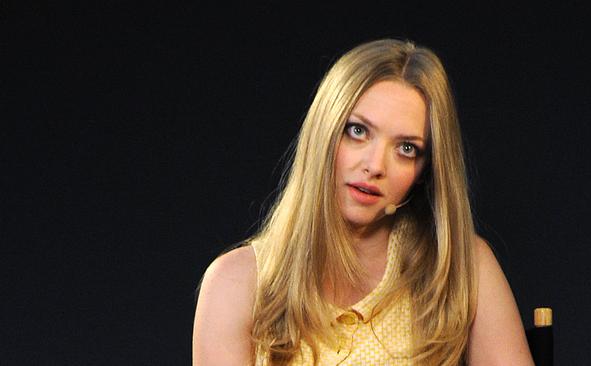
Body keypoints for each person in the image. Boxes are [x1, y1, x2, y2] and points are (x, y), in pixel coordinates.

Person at [192, 39, 534, 365]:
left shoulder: (462, 265)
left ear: (425, 171)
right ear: (323, 132)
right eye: (358, 131)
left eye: (406, 149)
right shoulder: (236, 283)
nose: (375, 165)